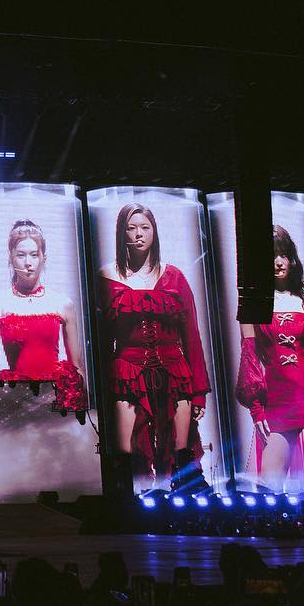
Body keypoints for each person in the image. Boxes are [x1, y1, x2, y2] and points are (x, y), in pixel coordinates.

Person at [97, 203, 211, 490]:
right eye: (131, 228)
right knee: (127, 456)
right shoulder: (106, 277)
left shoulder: (175, 277)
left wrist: (199, 392)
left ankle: (180, 506)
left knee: (178, 454)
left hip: (175, 373)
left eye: (145, 227)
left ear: (154, 232)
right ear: (121, 233)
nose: (139, 234)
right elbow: (101, 340)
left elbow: (191, 336)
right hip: (128, 372)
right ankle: (129, 508)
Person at [234, 225, 304, 492]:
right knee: (269, 487)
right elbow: (249, 360)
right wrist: (257, 411)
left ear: (292, 259)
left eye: (283, 254)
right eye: (271, 256)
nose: (278, 262)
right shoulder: (251, 304)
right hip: (278, 401)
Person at [0, 219, 89, 417]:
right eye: (21, 255)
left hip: (56, 398)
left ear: (43, 258)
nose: (28, 263)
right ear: (11, 257)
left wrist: (81, 413)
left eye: (34, 255)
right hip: (16, 400)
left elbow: (77, 367)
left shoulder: (62, 303)